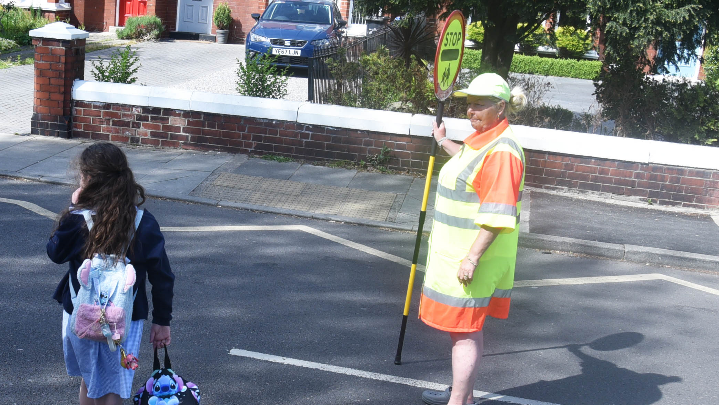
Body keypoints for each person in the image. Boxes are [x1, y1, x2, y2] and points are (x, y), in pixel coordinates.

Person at [419, 73, 527, 405]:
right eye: (468, 104)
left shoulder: (503, 151)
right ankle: (461, 395)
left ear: (501, 107)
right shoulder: (482, 142)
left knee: (465, 331)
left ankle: (459, 402)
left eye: (479, 104)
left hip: (472, 260)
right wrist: (443, 141)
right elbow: (468, 164)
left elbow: (498, 214)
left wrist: (472, 258)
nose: (471, 111)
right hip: (459, 256)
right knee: (462, 330)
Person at [48, 142, 175, 405]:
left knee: (90, 378)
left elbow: (55, 252)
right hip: (125, 319)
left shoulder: (79, 220)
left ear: (88, 179)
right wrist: (161, 321)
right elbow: (162, 275)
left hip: (80, 313)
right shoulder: (142, 222)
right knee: (115, 385)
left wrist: (73, 210)